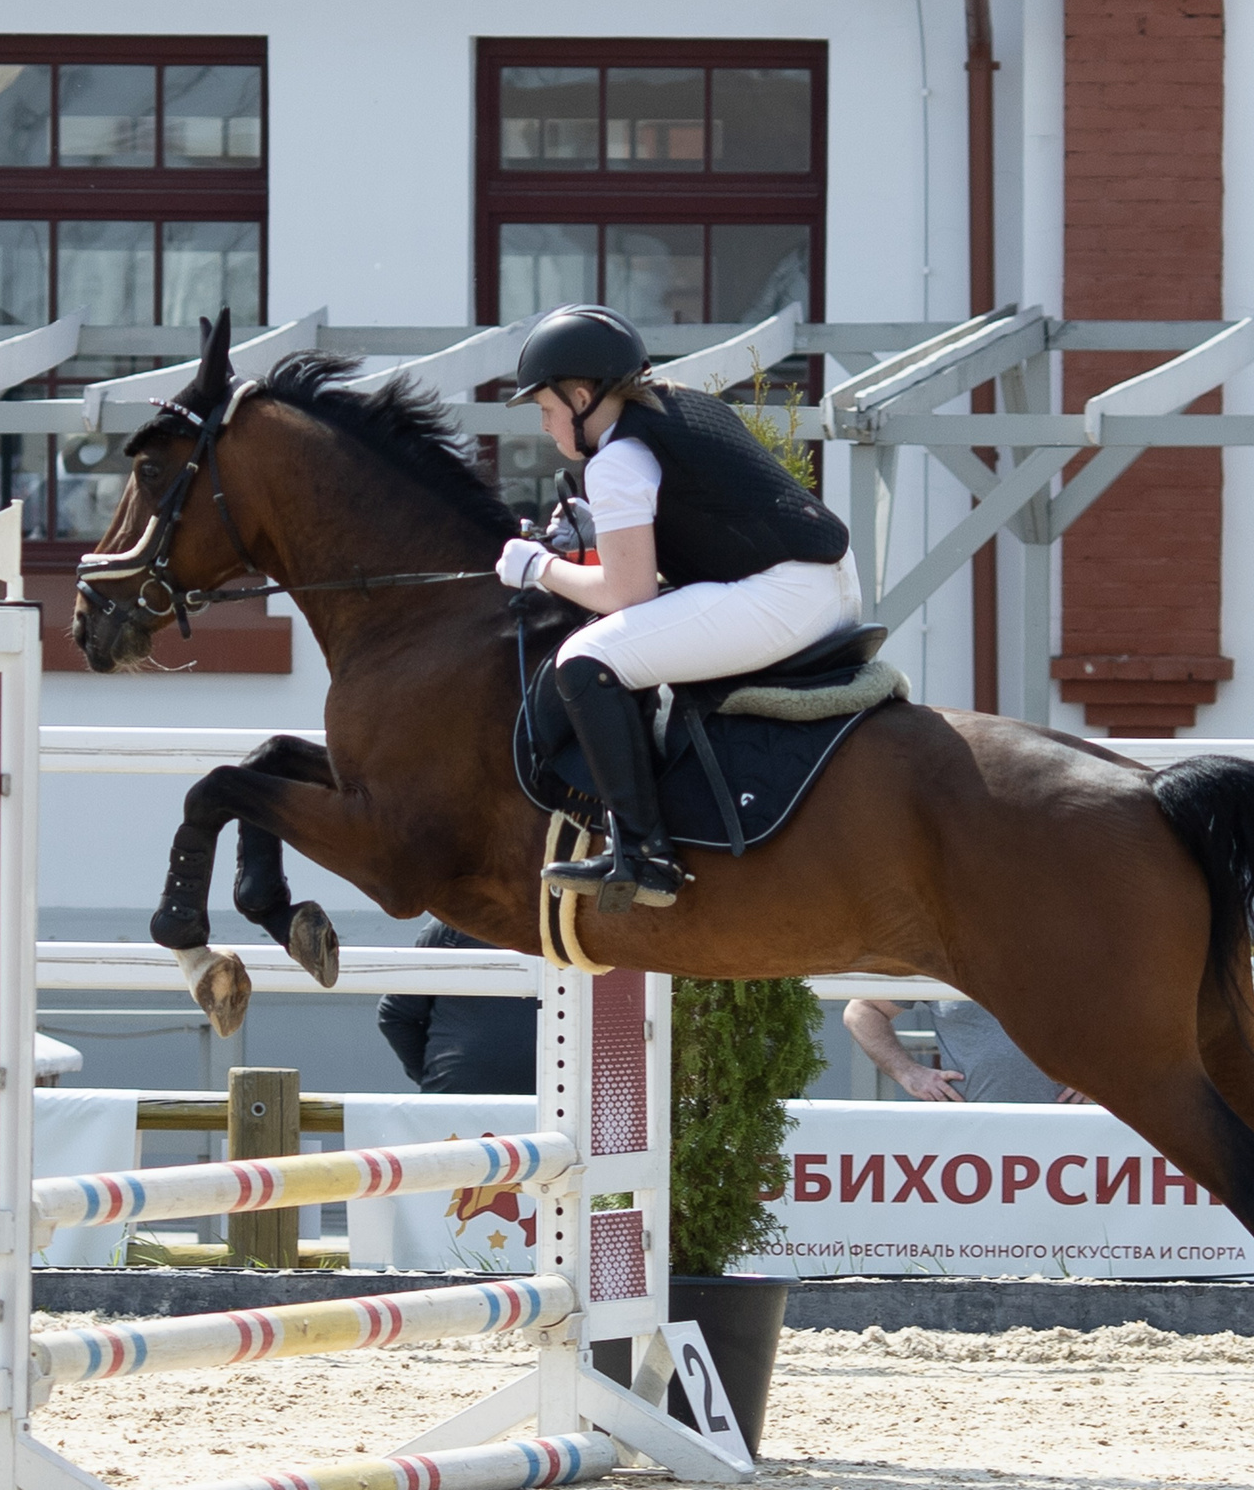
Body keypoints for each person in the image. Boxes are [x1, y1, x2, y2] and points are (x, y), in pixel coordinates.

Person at [497, 304, 858, 913]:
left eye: (547, 409)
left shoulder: (614, 460)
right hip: (827, 584)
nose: (546, 426)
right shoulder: (680, 403)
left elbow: (624, 597)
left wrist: (539, 569)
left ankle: (642, 854)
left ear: (582, 396)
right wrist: (599, 529)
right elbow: (691, 528)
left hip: (782, 599)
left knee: (586, 658)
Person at [377, 920, 539, 1094]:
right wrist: (433, 1074)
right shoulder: (451, 927)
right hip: (452, 1103)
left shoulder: (568, 923)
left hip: (559, 1106)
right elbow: (396, 1014)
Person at [843, 995, 1072, 1105]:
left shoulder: (1065, 946)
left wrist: (1102, 1075)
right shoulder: (941, 953)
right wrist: (908, 1072)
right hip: (967, 1137)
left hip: (1072, 1132)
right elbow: (861, 1011)